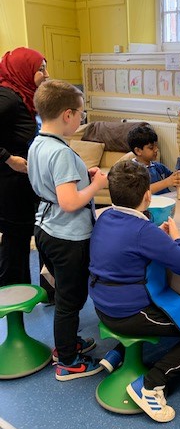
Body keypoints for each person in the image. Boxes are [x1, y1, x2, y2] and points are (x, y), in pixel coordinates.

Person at [88, 160, 180, 422]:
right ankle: (152, 384)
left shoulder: (104, 216)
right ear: (148, 196)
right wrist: (176, 238)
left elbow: (128, 241)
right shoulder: (143, 232)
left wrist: (156, 235)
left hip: (100, 304)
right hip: (128, 314)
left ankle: (118, 352)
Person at [27, 80, 109, 380]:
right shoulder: (61, 152)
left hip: (45, 228)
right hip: (67, 236)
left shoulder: (39, 143)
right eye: (81, 113)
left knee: (65, 295)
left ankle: (67, 344)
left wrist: (81, 175)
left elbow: (52, 182)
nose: (81, 119)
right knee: (70, 300)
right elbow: (70, 201)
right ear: (67, 114)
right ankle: (68, 360)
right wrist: (96, 184)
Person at [0, 47, 49, 286]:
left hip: (24, 182)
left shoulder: (22, 95)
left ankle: (31, 291)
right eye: (41, 70)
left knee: (26, 237)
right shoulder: (8, 98)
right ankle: (12, 296)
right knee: (16, 242)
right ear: (23, 70)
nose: (46, 75)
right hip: (11, 184)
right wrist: (9, 158)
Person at [127, 124, 180, 195]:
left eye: (156, 146)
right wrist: (167, 182)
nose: (156, 149)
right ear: (138, 151)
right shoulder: (132, 171)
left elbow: (174, 180)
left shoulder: (159, 167)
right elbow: (141, 192)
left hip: (166, 199)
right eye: (151, 147)